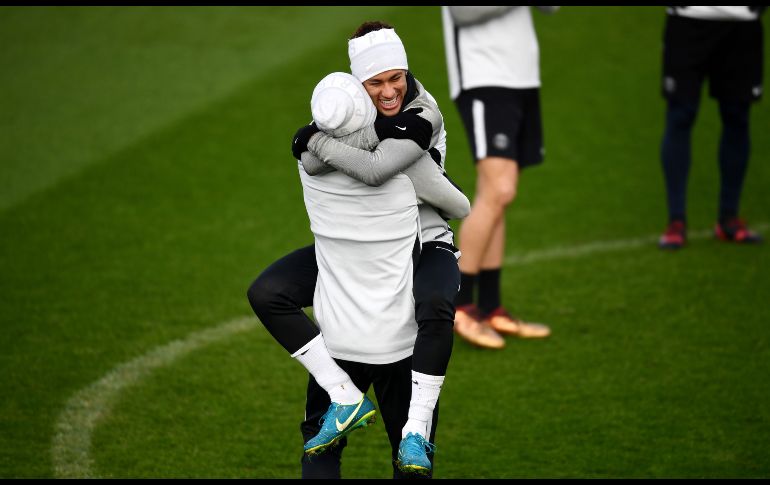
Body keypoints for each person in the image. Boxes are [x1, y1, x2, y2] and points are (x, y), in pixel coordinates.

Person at [248, 23, 468, 478]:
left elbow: (372, 169)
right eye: (375, 83)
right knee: (269, 290)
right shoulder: (347, 113)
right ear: (355, 84)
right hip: (355, 251)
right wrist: (321, 140)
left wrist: (317, 139)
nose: (389, 91)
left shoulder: (423, 114)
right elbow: (311, 155)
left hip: (423, 238)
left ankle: (416, 426)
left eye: (396, 78)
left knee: (434, 300)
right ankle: (349, 398)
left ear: (406, 72)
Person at [441, 6, 557, 349]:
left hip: (522, 76)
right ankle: (460, 306)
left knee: (498, 193)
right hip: (483, 76)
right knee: (499, 191)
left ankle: (491, 308)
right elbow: (463, 12)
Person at [657, 6, 764, 249]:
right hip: (687, 21)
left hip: (742, 22)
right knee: (680, 116)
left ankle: (729, 217)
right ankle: (676, 220)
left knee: (737, 117)